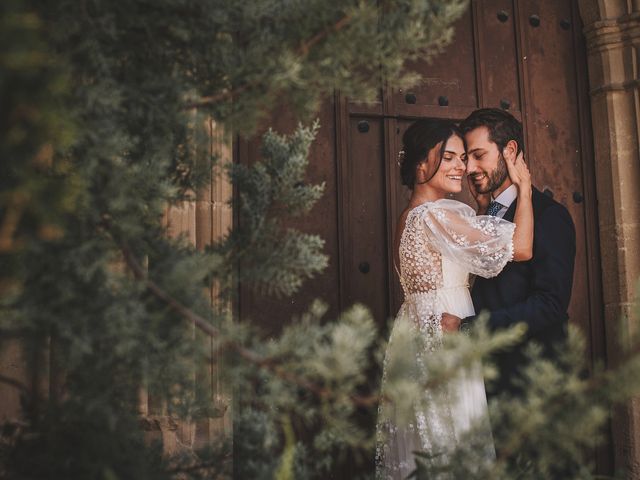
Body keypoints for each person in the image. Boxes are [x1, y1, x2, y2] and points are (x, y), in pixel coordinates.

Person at [375, 118, 533, 479]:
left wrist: (479, 214)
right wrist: (524, 188)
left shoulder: (410, 217)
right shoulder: (436, 215)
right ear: (420, 165)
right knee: (453, 439)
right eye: (448, 157)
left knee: (429, 441)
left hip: (416, 331)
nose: (461, 166)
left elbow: (452, 261)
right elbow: (521, 248)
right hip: (445, 333)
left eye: (463, 157)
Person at [446, 108, 576, 398]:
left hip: (527, 378)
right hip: (484, 376)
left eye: (479, 155)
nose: (469, 168)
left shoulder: (548, 216)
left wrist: (470, 328)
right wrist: (481, 213)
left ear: (510, 151)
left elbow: (550, 304)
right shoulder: (483, 213)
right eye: (467, 159)